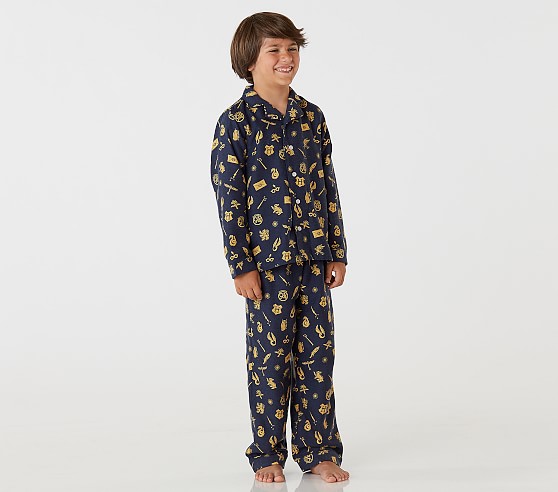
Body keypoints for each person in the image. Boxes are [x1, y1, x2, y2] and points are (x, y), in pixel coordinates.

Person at [210, 11, 350, 484]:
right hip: (266, 264)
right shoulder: (235, 123)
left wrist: (337, 250)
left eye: (292, 48)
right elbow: (229, 198)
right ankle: (266, 454)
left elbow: (328, 186)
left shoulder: (312, 117)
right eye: (274, 50)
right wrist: (240, 265)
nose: (286, 57)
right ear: (250, 60)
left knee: (317, 357)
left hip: (313, 256)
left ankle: (318, 450)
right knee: (270, 361)